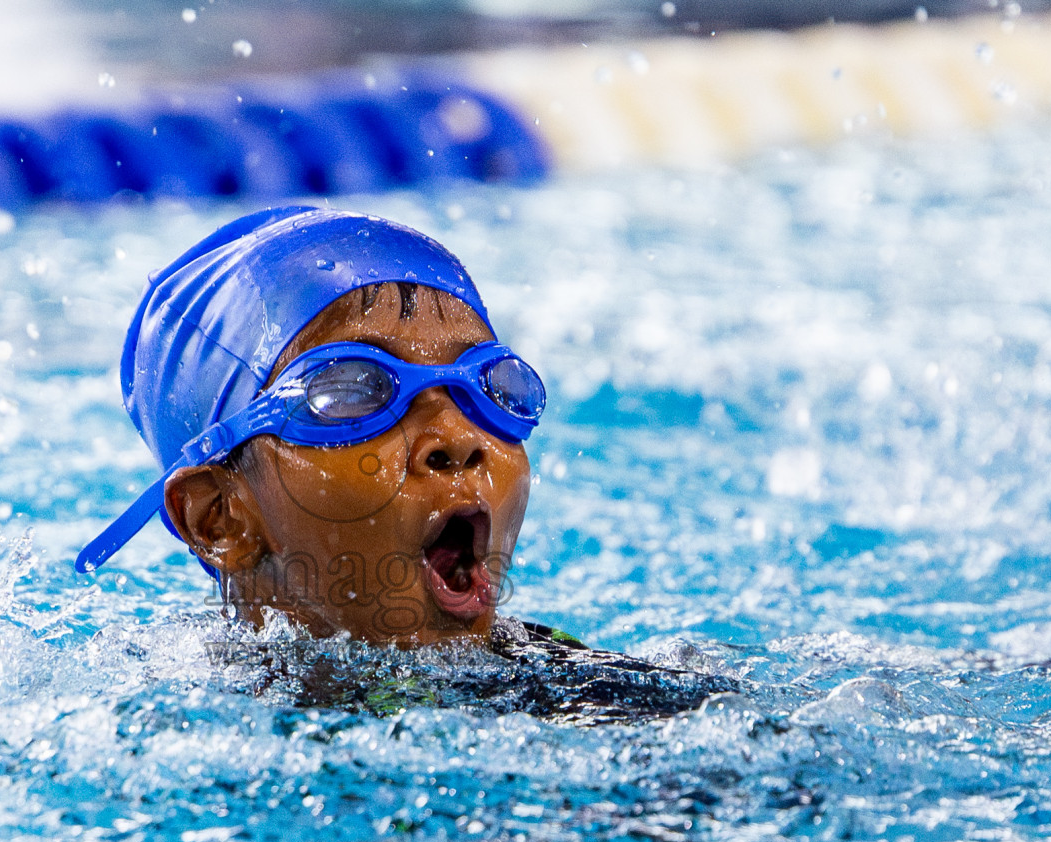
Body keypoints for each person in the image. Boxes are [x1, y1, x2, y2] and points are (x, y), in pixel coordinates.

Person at [76, 206, 726, 722]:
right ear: (220, 519)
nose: (456, 436)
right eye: (354, 390)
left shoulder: (588, 691)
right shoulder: (166, 728)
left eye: (486, 384)